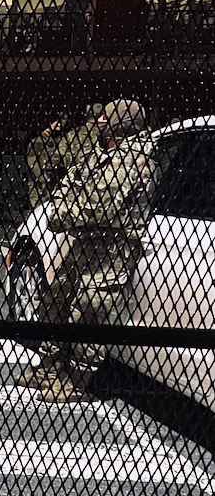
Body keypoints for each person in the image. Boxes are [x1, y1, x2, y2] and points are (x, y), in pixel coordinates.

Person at [20, 99, 157, 404]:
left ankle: (78, 381)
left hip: (114, 249)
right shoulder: (101, 153)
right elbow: (69, 183)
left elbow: (101, 208)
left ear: (123, 121)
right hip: (85, 241)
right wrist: (64, 206)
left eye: (108, 115)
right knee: (54, 300)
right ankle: (48, 368)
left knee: (90, 311)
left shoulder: (133, 160)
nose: (100, 119)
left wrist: (59, 215)